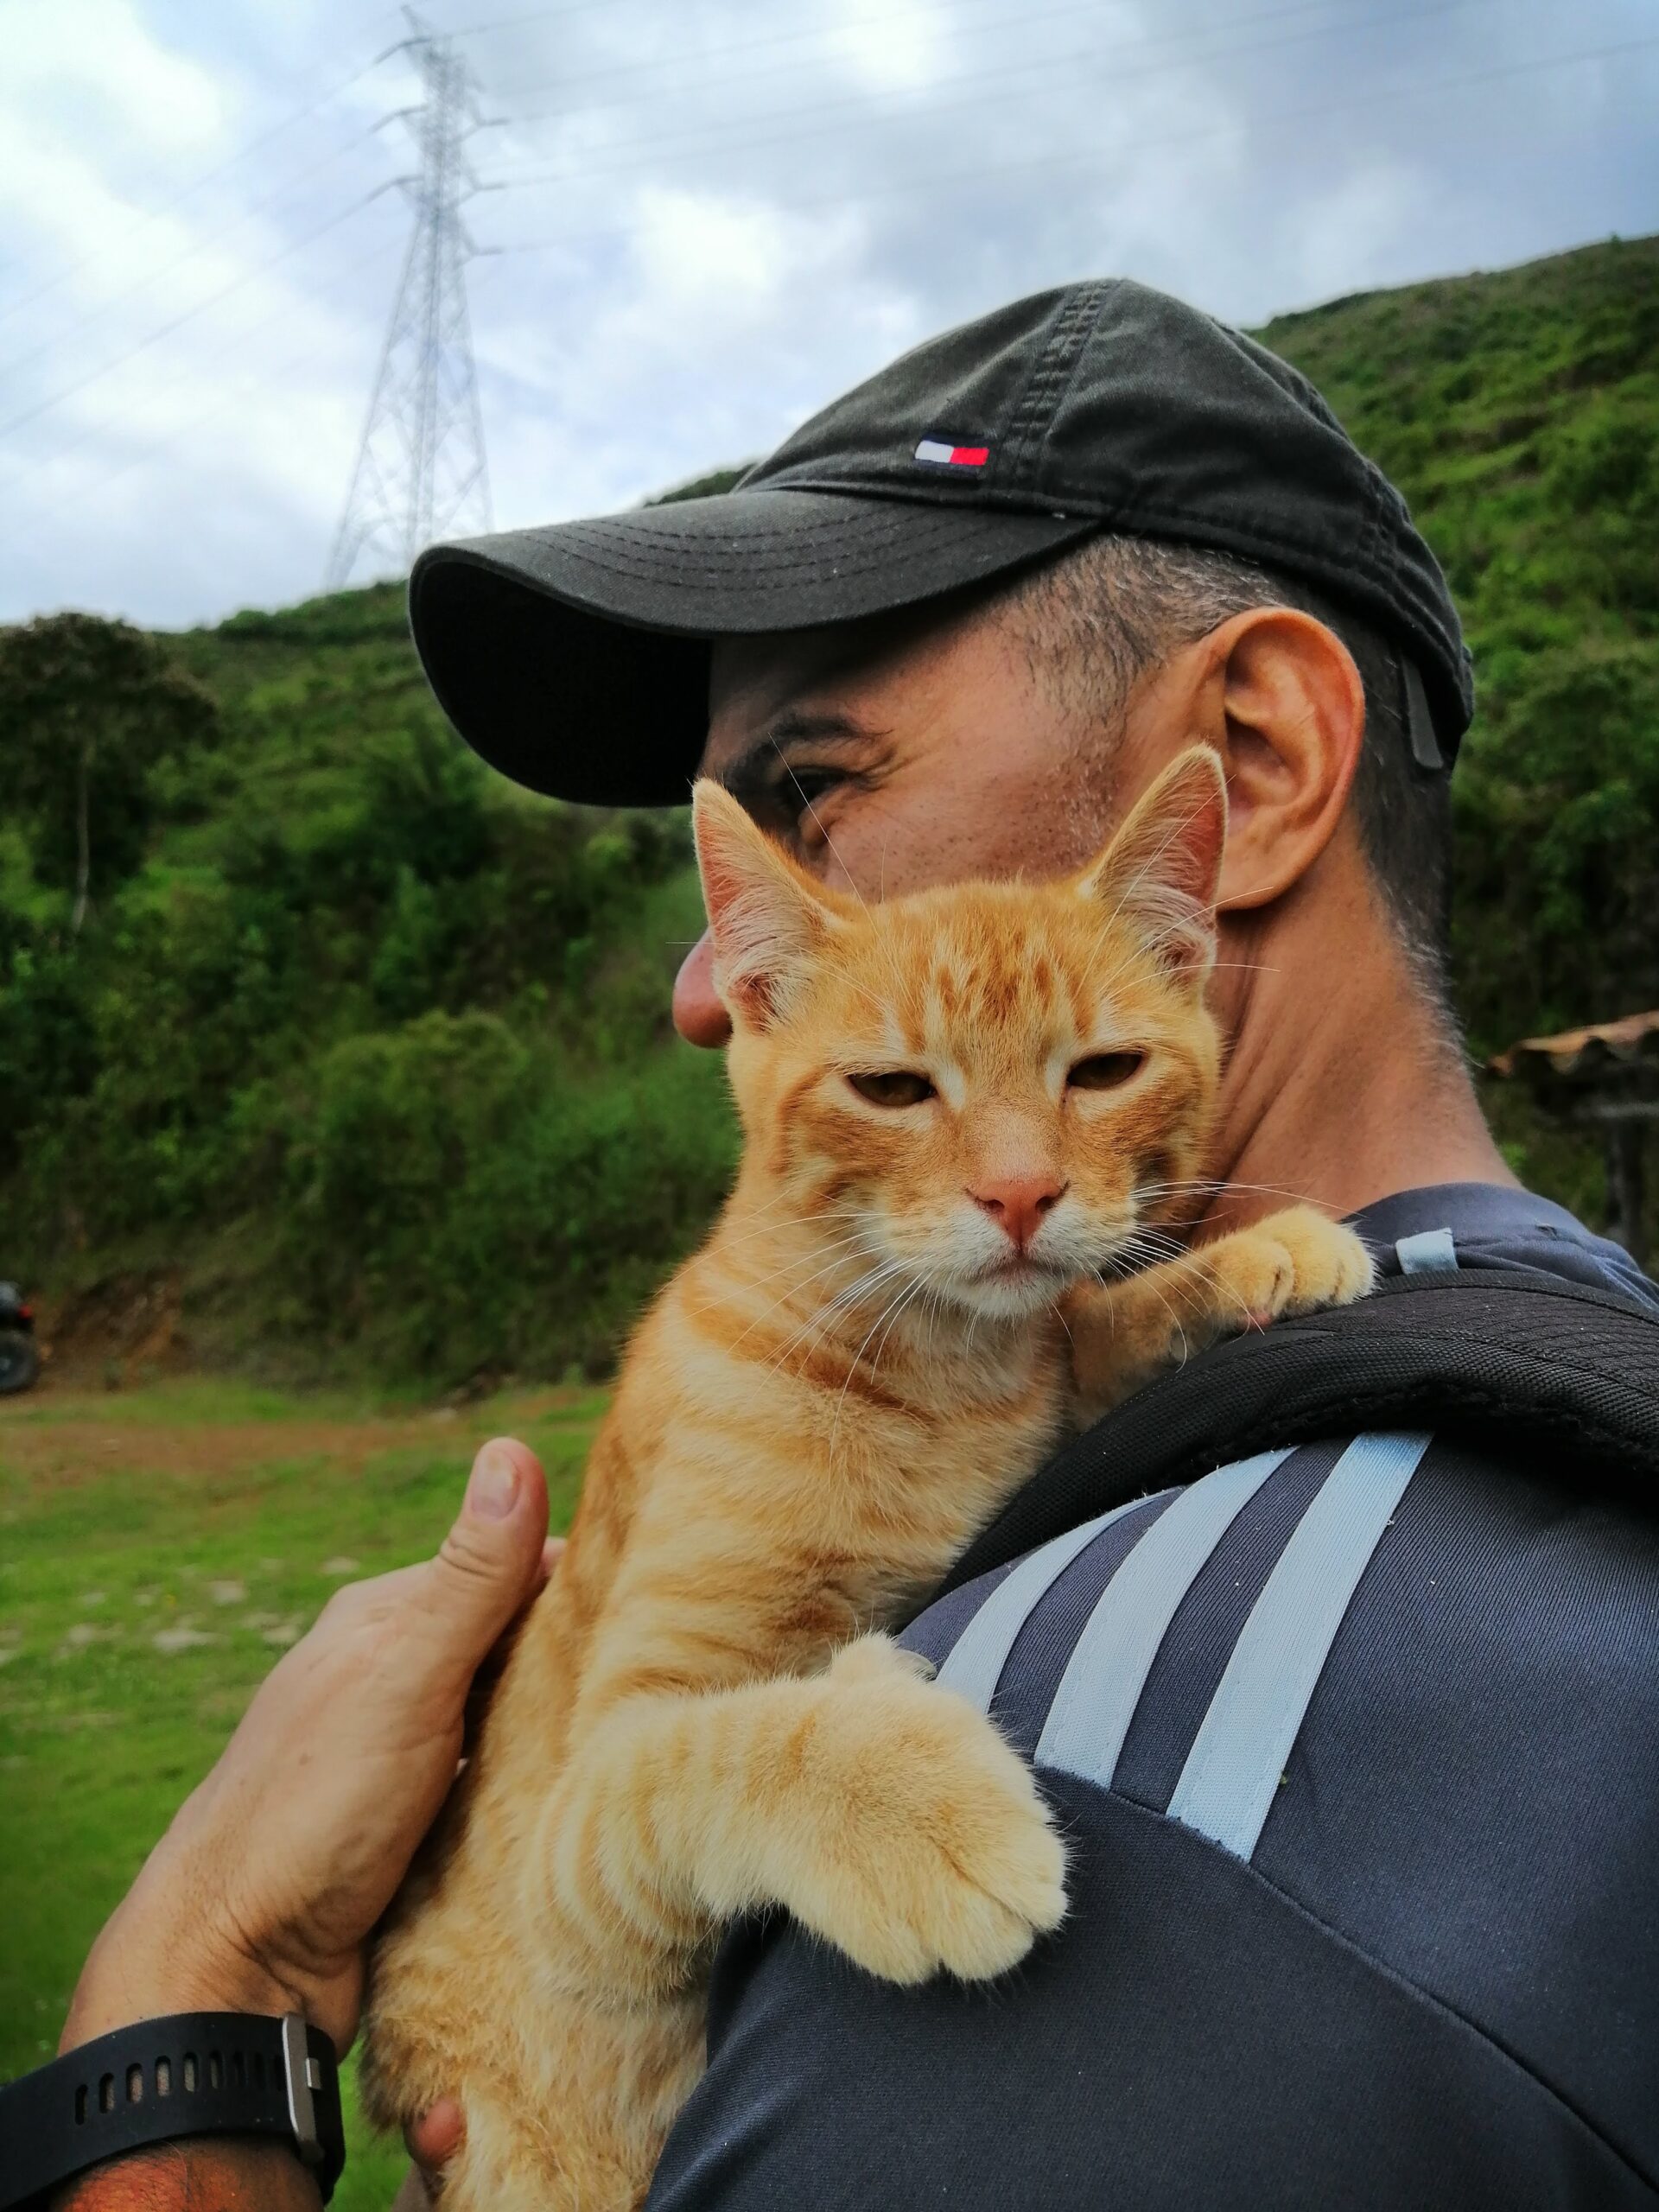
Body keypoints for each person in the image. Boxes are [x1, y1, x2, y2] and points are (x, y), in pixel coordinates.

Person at [20, 281, 1659, 2210]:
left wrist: (190, 2002)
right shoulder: (1561, 1353)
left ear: (1255, 755)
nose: (714, 991)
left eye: (817, 788)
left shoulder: (1166, 1758)